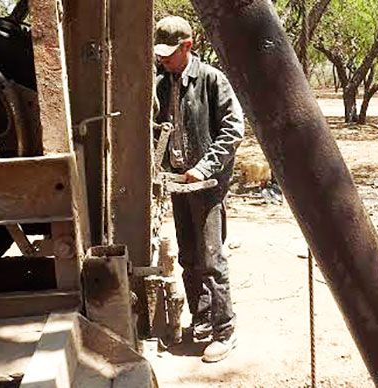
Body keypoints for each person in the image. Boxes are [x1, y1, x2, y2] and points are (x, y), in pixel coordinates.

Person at [154, 15, 244, 363]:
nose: (163, 59)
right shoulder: (161, 83)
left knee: (212, 259)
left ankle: (225, 330)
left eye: (169, 52)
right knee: (189, 257)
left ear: (188, 46)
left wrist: (203, 167)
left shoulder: (211, 80)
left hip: (207, 186)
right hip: (179, 185)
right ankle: (202, 319)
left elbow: (233, 130)